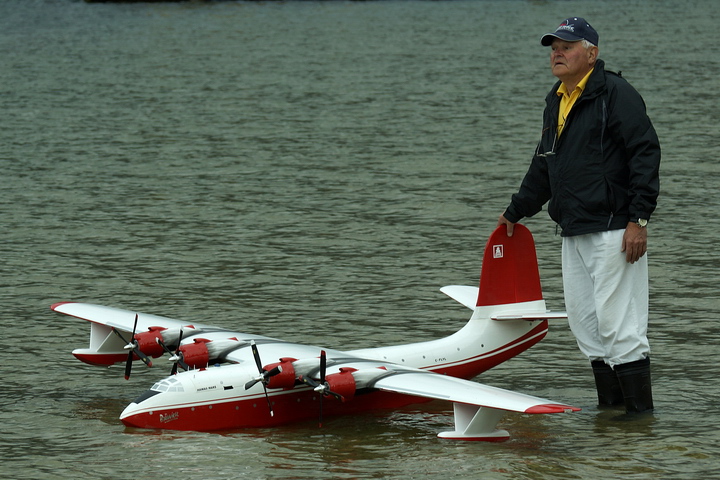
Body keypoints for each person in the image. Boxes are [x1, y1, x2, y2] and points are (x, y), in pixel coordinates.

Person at [497, 17, 660, 414]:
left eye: (567, 46)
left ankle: (639, 425)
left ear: (592, 53)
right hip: (573, 230)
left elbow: (646, 152)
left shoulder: (616, 93)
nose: (557, 52)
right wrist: (515, 212)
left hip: (614, 230)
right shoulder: (556, 98)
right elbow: (544, 165)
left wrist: (639, 219)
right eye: (554, 47)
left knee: (619, 327)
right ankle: (611, 418)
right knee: (587, 327)